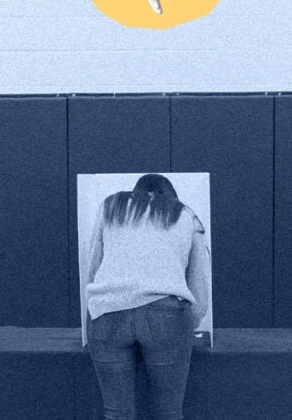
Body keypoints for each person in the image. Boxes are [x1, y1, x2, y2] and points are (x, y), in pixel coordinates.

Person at [84, 174, 212, 420]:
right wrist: (186, 325)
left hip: (108, 312)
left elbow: (94, 268)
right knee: (169, 412)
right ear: (171, 197)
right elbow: (199, 287)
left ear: (136, 193)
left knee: (116, 413)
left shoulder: (111, 207)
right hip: (166, 314)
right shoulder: (186, 215)